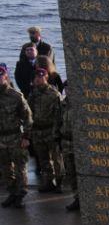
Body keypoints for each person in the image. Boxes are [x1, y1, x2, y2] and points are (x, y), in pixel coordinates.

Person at [0, 65, 32, 209]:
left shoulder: (15, 96)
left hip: (15, 137)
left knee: (20, 168)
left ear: (5, 76)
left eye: (0, 76)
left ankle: (20, 194)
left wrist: (26, 137)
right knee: (6, 168)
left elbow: (28, 118)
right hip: (1, 139)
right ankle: (12, 193)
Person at [27, 68, 63, 193]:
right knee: (43, 160)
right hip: (38, 131)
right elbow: (29, 113)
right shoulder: (33, 94)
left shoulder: (54, 94)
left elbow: (59, 116)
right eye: (36, 77)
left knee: (56, 160)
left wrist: (56, 133)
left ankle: (60, 183)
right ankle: (48, 182)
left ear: (46, 77)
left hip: (50, 130)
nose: (38, 79)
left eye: (41, 76)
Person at [60, 89, 78, 212]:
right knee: (70, 172)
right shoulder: (63, 105)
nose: (68, 91)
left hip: (77, 143)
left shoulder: (79, 104)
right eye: (66, 88)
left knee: (80, 172)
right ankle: (77, 198)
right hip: (66, 143)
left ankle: (86, 197)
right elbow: (58, 121)